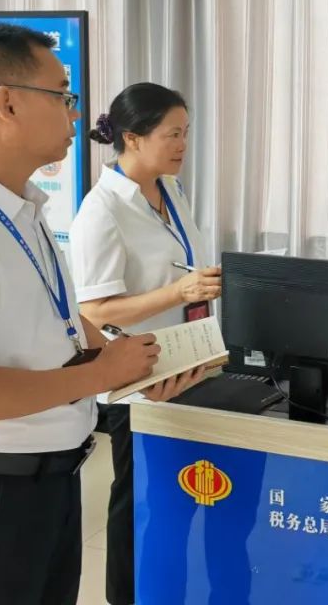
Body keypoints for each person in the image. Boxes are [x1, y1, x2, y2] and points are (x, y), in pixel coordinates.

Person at [0, 24, 198, 605]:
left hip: (48, 480)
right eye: (62, 96)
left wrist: (126, 367)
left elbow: (60, 322)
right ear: (6, 103)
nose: (76, 114)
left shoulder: (22, 208)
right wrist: (101, 375)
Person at [69, 82, 221, 605]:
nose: (183, 145)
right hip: (139, 378)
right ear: (132, 138)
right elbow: (94, 311)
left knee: (175, 500)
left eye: (186, 133)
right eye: (171, 134)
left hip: (188, 363)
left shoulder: (170, 190)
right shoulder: (102, 211)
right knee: (138, 505)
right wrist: (179, 291)